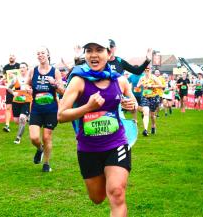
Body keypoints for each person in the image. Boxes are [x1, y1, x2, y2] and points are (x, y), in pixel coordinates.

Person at [58, 38, 137, 217]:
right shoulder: (78, 81)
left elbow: (133, 102)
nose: (93, 54)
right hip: (88, 149)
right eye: (89, 50)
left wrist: (132, 105)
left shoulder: (120, 80)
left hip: (116, 143)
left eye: (99, 50)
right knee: (97, 198)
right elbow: (61, 115)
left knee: (116, 193)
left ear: (109, 54)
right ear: (84, 55)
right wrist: (87, 108)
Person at [27, 46, 64, 172]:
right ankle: (39, 149)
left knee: (47, 137)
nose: (40, 55)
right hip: (36, 109)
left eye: (42, 53)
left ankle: (46, 163)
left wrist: (55, 83)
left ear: (48, 54)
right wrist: (28, 88)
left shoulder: (55, 71)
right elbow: (27, 83)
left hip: (51, 110)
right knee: (34, 138)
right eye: (38, 53)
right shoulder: (33, 71)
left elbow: (62, 91)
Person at [7, 62, 32, 144]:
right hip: (16, 101)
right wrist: (13, 93)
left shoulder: (30, 79)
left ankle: (18, 138)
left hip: (26, 101)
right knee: (16, 121)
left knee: (22, 118)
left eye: (24, 67)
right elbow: (8, 88)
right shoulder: (15, 78)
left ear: (27, 68)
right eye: (21, 67)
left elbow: (35, 89)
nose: (22, 69)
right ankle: (27, 117)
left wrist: (31, 91)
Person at [137, 67, 162, 136]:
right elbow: (137, 86)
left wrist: (152, 86)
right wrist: (140, 84)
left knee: (152, 115)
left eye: (148, 70)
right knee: (146, 112)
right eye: (145, 70)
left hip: (154, 97)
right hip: (145, 96)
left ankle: (153, 125)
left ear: (150, 70)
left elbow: (161, 85)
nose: (146, 71)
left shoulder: (153, 77)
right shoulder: (142, 78)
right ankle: (145, 130)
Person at [2, 54, 20, 132]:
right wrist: (5, 80)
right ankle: (7, 125)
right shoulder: (6, 67)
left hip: (18, 89)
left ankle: (25, 118)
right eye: (10, 56)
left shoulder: (19, 65)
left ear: (15, 57)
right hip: (9, 89)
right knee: (8, 107)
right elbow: (4, 77)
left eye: (13, 56)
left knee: (19, 106)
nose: (11, 57)